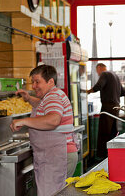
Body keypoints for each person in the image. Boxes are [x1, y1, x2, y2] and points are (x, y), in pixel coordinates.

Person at [10, 65, 76, 196]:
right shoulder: (52, 95)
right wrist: (28, 98)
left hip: (57, 156)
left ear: (50, 81)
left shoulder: (53, 97)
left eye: (37, 82)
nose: (34, 86)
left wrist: (23, 121)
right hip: (58, 155)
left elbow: (53, 120)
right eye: (32, 82)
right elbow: (42, 106)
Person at [87, 63, 125, 158]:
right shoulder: (115, 75)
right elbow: (123, 92)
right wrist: (113, 93)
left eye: (97, 72)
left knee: (104, 132)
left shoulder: (104, 74)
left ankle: (102, 156)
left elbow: (98, 86)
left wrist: (87, 92)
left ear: (99, 68)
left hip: (107, 107)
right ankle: (112, 154)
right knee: (113, 132)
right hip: (116, 107)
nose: (98, 74)